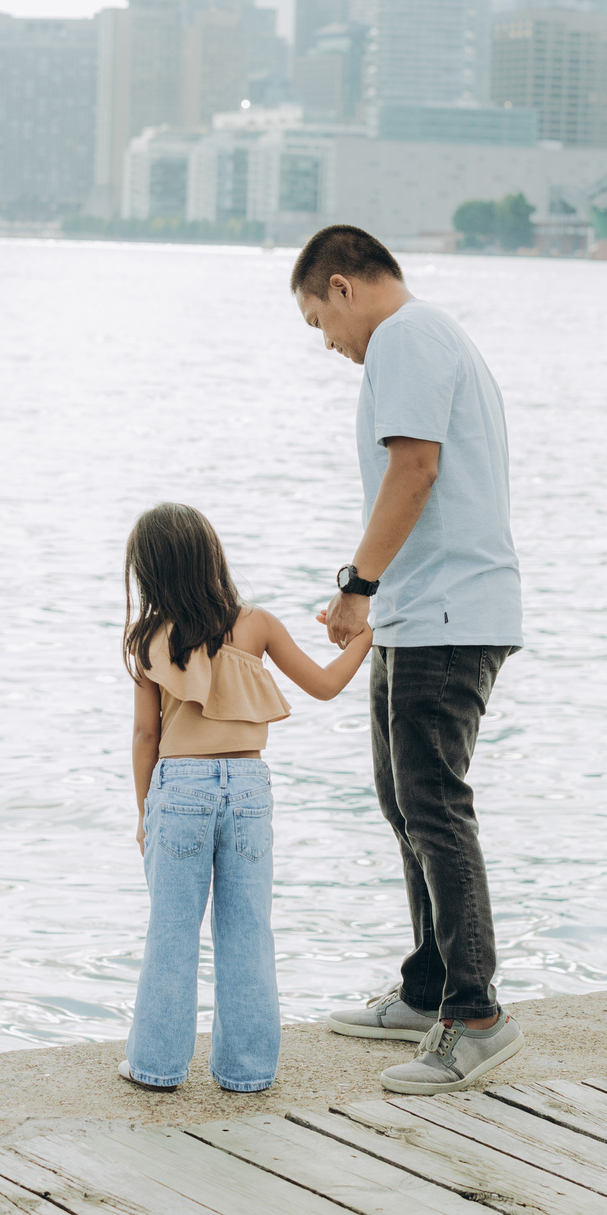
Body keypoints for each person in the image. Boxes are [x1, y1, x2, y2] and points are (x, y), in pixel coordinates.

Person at [290, 224, 526, 1095]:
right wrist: (376, 595)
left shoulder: (406, 337)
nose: (328, 343)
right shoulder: (421, 338)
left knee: (434, 805)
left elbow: (415, 468)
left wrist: (357, 583)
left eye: (320, 320)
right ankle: (428, 987)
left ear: (344, 286)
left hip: (449, 613)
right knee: (403, 798)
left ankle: (476, 1015)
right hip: (422, 610)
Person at [119, 502, 374, 1094]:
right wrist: (365, 636)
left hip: (178, 788)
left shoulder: (147, 638)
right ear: (213, 558)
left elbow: (145, 736)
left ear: (149, 571)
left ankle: (157, 1067)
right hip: (248, 791)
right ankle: (248, 1071)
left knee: (171, 932)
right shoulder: (256, 624)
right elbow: (326, 685)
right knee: (248, 933)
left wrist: (144, 814)